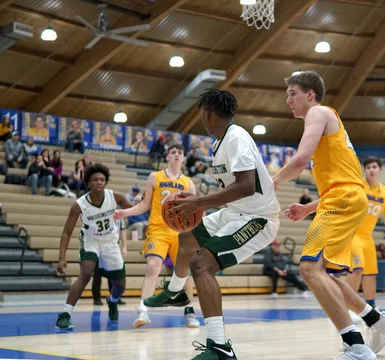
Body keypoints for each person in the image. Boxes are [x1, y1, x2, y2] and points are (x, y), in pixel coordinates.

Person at [134, 89, 280, 359]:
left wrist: (200, 203)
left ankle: (221, 348)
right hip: (234, 212)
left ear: (207, 112)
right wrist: (199, 199)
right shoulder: (218, 143)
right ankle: (177, 292)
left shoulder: (236, 138)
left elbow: (247, 186)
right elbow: (235, 187)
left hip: (257, 219)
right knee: (187, 236)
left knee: (201, 265)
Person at [274, 71, 385, 359]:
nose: (288, 100)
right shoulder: (328, 124)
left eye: (293, 93)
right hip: (346, 198)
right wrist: (309, 207)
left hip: (343, 199)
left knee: (308, 269)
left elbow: (301, 160)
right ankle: (376, 320)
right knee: (321, 272)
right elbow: (343, 181)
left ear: (310, 94)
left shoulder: (317, 113)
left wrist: (274, 181)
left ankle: (355, 346)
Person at [114, 144, 200, 329]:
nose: (176, 155)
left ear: (183, 158)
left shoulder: (189, 182)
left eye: (180, 152)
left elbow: (195, 211)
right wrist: (125, 213)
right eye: (173, 152)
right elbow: (145, 205)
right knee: (153, 267)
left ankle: (190, 312)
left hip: (181, 233)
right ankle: (143, 310)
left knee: (186, 272)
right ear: (167, 157)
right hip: (158, 229)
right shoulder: (155, 177)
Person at [55, 164, 132, 330]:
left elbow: (133, 209)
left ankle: (112, 301)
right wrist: (62, 258)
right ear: (88, 183)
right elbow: (67, 232)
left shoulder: (115, 197)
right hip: (91, 241)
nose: (99, 182)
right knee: (86, 273)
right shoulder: (79, 204)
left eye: (102, 180)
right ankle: (65, 314)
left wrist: (140, 205)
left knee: (121, 285)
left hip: (111, 242)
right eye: (95, 179)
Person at [346, 156, 385, 318]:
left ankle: (371, 306)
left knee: (370, 273)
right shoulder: (359, 186)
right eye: (368, 167)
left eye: (374, 167)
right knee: (356, 269)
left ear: (381, 170)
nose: (371, 170)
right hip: (353, 233)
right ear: (365, 171)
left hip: (367, 237)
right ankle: (349, 307)